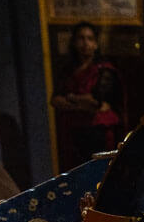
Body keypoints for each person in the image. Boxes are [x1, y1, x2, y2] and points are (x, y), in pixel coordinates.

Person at [50, 21, 125, 170]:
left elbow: (94, 103)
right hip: (71, 134)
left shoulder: (104, 71)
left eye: (90, 39)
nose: (85, 43)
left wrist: (70, 98)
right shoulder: (67, 70)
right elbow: (55, 100)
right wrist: (81, 102)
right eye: (81, 38)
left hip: (98, 134)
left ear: (96, 44)